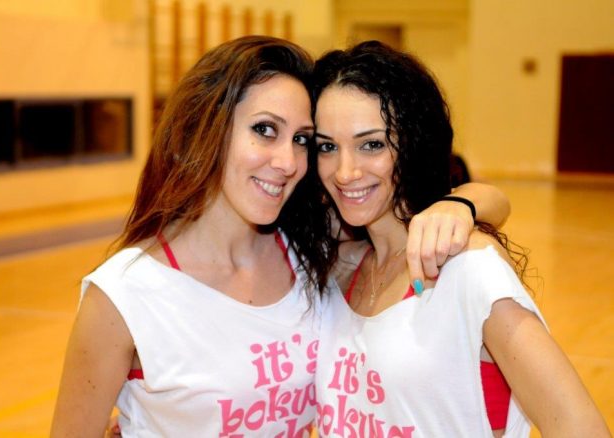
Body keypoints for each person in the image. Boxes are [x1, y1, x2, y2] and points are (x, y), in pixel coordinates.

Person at [50, 36, 510, 437]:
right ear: (205, 129)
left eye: (303, 140)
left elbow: (494, 203)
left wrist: (460, 205)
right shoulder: (123, 295)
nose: (288, 162)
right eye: (264, 130)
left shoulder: (309, 249)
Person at [311, 41, 610, 437]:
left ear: (413, 143)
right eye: (327, 147)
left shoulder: (467, 267)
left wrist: (464, 203)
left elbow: (581, 427)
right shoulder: (342, 266)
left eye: (372, 144)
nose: (345, 171)